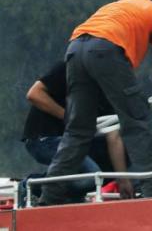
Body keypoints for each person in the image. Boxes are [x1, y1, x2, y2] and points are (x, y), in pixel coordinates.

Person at [40, 0, 152, 205]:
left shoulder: (112, 7)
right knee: (135, 123)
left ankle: (48, 197)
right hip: (106, 49)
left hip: (75, 47)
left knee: (77, 131)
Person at [23, 61, 134, 199]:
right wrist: (69, 118)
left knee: (115, 163)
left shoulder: (108, 90)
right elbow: (34, 94)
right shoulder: (70, 68)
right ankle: (30, 186)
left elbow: (113, 135)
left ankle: (68, 198)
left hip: (75, 142)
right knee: (91, 176)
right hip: (44, 138)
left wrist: (122, 179)